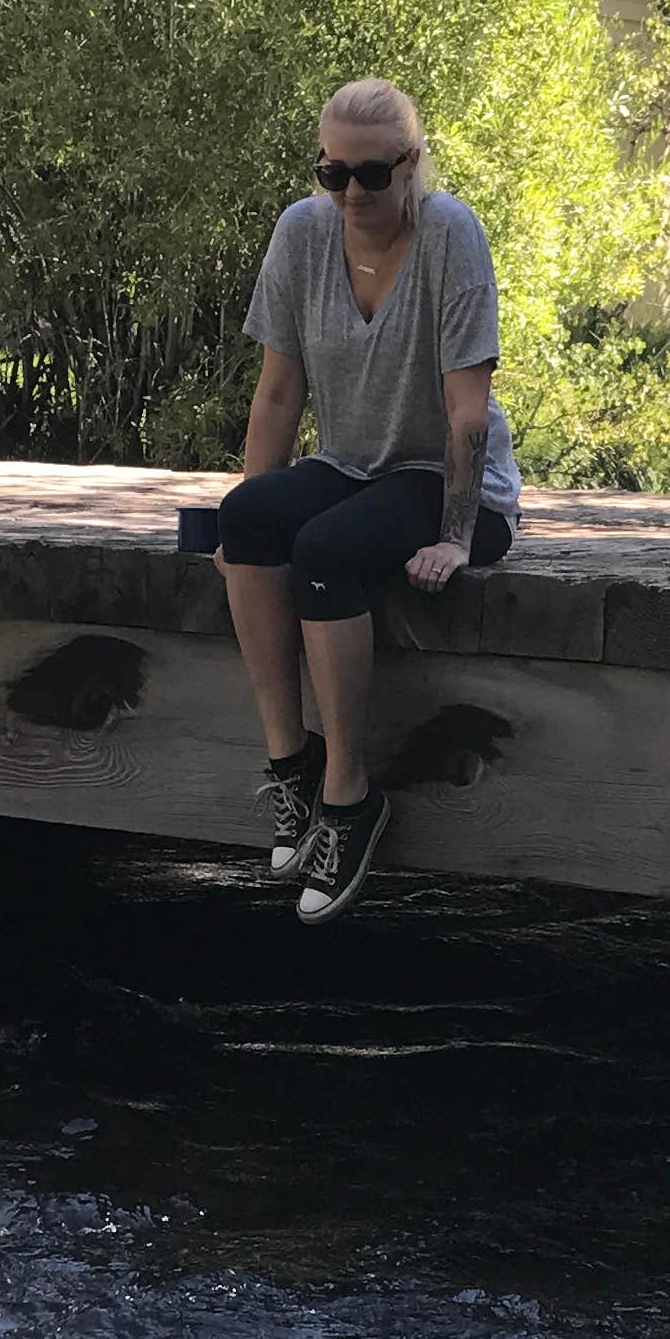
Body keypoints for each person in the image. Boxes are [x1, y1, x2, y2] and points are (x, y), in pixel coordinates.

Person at [216, 77, 522, 924]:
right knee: (246, 522)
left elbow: (467, 411)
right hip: (352, 464)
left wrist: (459, 537)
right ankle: (294, 769)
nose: (352, 192)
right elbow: (278, 396)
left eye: (373, 175)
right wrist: (250, 525)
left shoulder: (451, 235)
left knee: (326, 550)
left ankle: (351, 801)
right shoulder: (302, 234)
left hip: (449, 482)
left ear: (410, 165)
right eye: (333, 173)